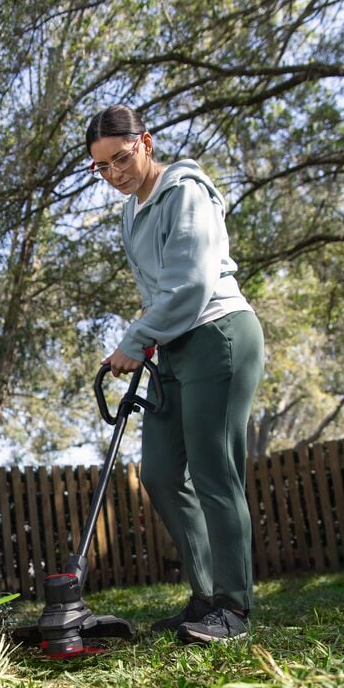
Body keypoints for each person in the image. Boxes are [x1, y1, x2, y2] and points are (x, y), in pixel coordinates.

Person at [86, 104, 265, 644]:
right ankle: (205, 596)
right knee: (163, 474)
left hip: (219, 334)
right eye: (102, 168)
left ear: (146, 142)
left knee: (215, 471)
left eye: (121, 159)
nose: (115, 173)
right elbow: (161, 292)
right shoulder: (130, 213)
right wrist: (146, 336)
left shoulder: (186, 191)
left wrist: (136, 340)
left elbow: (190, 284)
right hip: (173, 348)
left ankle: (233, 609)